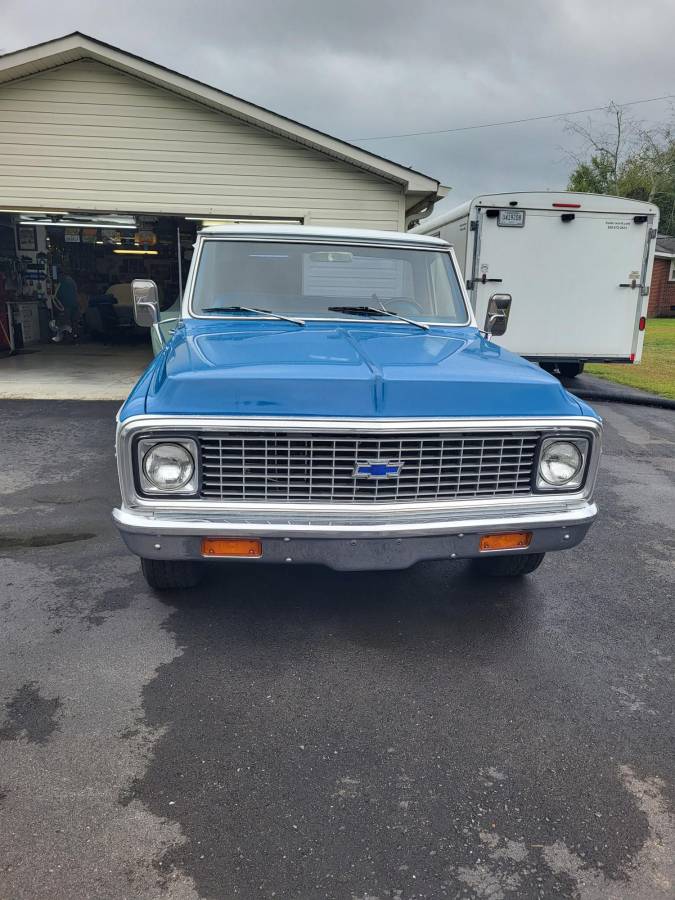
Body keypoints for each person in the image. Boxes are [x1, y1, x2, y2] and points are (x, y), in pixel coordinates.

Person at [51, 268, 80, 342]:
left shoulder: (62, 282)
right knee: (74, 322)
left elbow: (58, 295)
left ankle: (69, 339)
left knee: (67, 323)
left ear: (61, 275)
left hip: (66, 305)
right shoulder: (72, 281)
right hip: (75, 305)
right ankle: (75, 337)